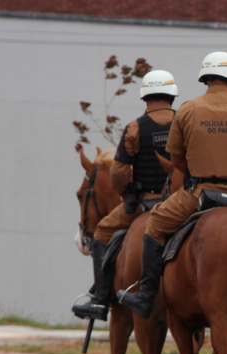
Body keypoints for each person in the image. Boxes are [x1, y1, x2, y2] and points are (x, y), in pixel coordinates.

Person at [118, 51, 227, 318]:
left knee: (155, 223)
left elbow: (177, 159)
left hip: (201, 193)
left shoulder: (189, 109)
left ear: (206, 78)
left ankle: (146, 295)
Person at [72, 69, 178, 321]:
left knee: (102, 232)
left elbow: (119, 172)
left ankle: (100, 300)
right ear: (172, 96)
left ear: (146, 97)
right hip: (181, 203)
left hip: (146, 204)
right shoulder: (184, 122)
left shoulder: (135, 128)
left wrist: (125, 192)